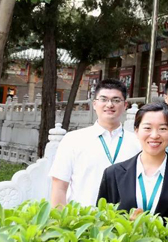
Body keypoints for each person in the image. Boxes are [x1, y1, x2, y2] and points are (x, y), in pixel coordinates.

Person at [97, 102, 168, 242]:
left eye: (162, 128)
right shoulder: (113, 174)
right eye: (147, 128)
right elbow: (102, 225)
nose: (154, 135)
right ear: (136, 130)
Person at [49, 79, 140, 208]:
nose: (109, 105)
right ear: (94, 104)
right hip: (82, 217)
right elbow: (59, 186)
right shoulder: (73, 140)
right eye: (104, 99)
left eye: (116, 100)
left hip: (124, 218)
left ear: (125, 105)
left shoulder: (137, 142)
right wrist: (59, 218)